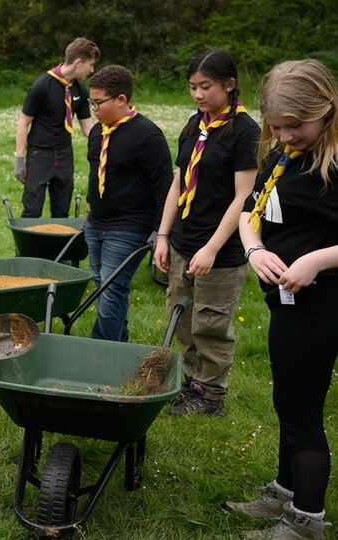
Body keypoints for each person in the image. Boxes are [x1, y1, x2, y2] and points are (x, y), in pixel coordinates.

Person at [227, 59, 338, 540]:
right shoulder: (283, 155)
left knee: (301, 412)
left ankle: (306, 521)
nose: (286, 134)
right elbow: (249, 212)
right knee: (290, 401)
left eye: (296, 126)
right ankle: (284, 492)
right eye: (277, 126)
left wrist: (316, 260)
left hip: (324, 306)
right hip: (286, 305)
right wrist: (254, 249)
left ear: (328, 110)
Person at [154, 50, 260, 417]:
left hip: (221, 250)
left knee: (211, 324)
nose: (198, 95)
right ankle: (191, 383)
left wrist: (212, 247)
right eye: (192, 87)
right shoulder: (194, 124)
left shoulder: (245, 132)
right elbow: (178, 182)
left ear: (229, 85)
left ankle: (211, 396)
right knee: (183, 318)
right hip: (183, 241)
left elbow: (244, 198)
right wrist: (164, 236)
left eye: (206, 87)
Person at [84, 65, 172, 342]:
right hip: (96, 223)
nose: (94, 109)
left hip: (129, 225)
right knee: (101, 283)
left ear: (121, 100)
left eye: (99, 102)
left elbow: (164, 185)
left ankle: (101, 347)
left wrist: (160, 232)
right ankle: (118, 341)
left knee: (112, 287)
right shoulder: (99, 132)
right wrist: (89, 208)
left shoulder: (147, 136)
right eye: (92, 102)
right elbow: (95, 171)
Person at [14, 38, 99, 218]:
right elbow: (23, 122)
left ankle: (57, 246)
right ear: (78, 63)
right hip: (40, 154)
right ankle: (27, 246)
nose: (92, 70)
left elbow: (87, 126)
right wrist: (19, 159)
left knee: (61, 210)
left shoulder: (80, 91)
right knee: (32, 208)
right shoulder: (42, 86)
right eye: (90, 65)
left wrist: (104, 141)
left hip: (64, 154)